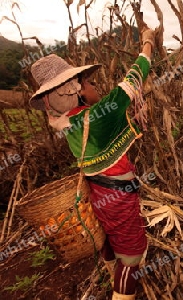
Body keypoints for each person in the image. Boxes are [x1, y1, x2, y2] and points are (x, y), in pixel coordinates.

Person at [29, 23, 156, 300]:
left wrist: (89, 96)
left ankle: (113, 277)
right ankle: (122, 290)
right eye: (86, 82)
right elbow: (133, 80)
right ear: (72, 88)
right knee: (131, 254)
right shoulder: (97, 116)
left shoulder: (68, 120)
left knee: (110, 238)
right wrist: (147, 43)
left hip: (97, 191)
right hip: (117, 194)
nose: (92, 85)